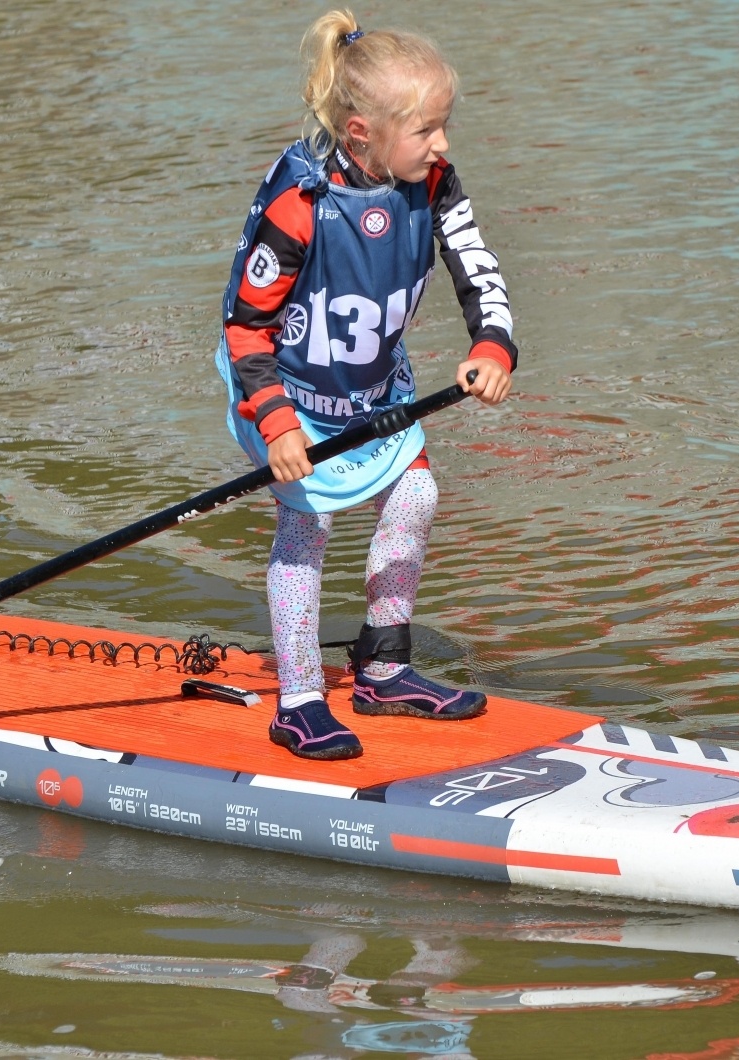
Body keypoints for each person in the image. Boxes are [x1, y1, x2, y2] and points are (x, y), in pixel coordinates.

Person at [215, 9, 516, 761]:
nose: (442, 144)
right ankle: (300, 700)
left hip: (374, 386)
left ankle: (382, 667)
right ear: (361, 133)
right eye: (426, 130)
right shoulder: (302, 202)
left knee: (416, 495)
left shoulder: (434, 182)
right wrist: (277, 423)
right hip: (288, 389)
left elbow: (474, 263)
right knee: (305, 529)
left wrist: (493, 342)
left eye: (444, 126)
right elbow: (245, 326)